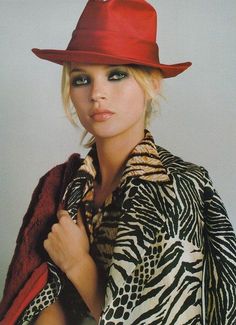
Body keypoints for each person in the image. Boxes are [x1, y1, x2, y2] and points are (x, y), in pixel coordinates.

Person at [0, 0, 235, 324]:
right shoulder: (62, 186)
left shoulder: (175, 189)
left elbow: (159, 317)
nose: (97, 93)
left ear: (153, 83)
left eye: (116, 75)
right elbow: (36, 300)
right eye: (82, 79)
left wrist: (78, 263)